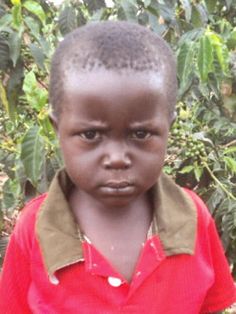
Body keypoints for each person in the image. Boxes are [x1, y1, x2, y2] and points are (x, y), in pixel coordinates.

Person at [0, 21, 235, 314]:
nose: (117, 158)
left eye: (140, 134)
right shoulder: (34, 230)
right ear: (58, 129)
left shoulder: (192, 218)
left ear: (167, 128)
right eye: (90, 135)